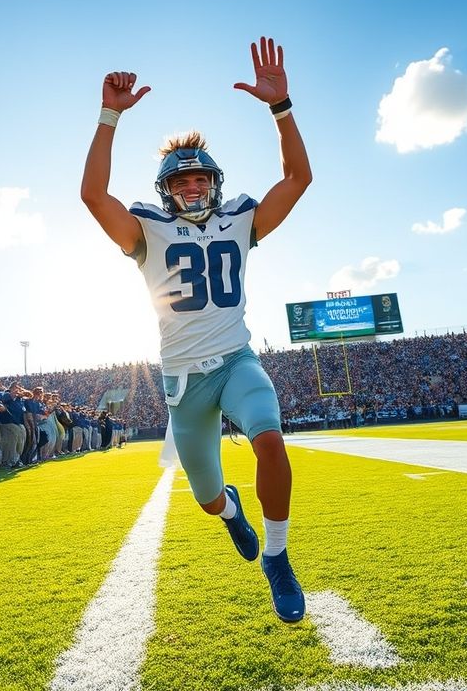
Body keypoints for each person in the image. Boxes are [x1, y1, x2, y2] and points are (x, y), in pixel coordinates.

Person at [80, 36, 312, 622]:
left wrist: (281, 110)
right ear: (166, 190)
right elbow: (91, 195)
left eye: (200, 181)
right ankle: (231, 510)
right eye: (181, 183)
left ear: (214, 182)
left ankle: (279, 559)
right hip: (183, 379)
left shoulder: (240, 219)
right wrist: (109, 116)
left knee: (270, 439)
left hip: (237, 361)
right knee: (208, 498)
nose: (192, 188)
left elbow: (298, 179)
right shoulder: (145, 231)